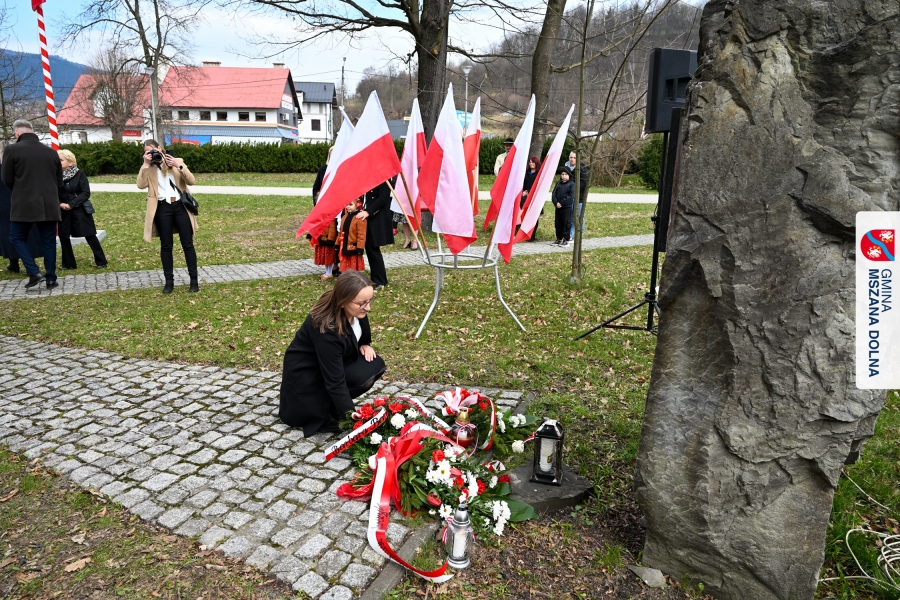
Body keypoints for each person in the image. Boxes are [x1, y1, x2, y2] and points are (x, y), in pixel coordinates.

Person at [279, 270, 386, 436]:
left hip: (328, 364)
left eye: (370, 300)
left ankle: (335, 405)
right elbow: (335, 381)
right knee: (358, 377)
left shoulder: (354, 308)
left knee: (374, 365)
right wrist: (353, 421)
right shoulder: (327, 329)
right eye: (362, 303)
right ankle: (324, 412)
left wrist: (364, 343)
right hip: (307, 378)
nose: (368, 308)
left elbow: (360, 326)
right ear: (343, 301)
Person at [0, 120, 62, 290]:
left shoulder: (12, 150)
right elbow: (59, 181)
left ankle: (34, 272)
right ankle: (51, 278)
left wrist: (20, 191)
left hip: (24, 204)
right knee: (48, 241)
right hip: (49, 204)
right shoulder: (51, 152)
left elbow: (6, 178)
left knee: (16, 237)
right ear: (33, 131)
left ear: (17, 133)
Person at [136, 139, 199, 294]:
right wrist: (145, 164)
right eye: (147, 152)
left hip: (180, 206)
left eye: (153, 150)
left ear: (159, 148)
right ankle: (169, 282)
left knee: (188, 244)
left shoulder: (176, 162)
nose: (152, 154)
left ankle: (194, 281)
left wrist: (178, 165)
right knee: (166, 246)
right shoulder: (149, 168)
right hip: (162, 207)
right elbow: (140, 185)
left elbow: (191, 181)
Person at [57, 149, 107, 270]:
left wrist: (71, 204)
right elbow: (51, 193)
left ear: (70, 162)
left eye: (61, 160)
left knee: (90, 234)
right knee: (64, 236)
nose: (58, 162)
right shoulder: (55, 176)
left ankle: (101, 261)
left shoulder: (80, 174)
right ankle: (68, 263)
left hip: (79, 209)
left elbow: (85, 193)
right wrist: (60, 204)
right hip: (63, 210)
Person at [0, 153, 42, 275]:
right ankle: (25, 264)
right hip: (25, 203)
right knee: (26, 233)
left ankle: (18, 263)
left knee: (11, 234)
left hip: (6, 205)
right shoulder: (25, 167)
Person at [310, 146, 340, 277]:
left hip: (338, 209)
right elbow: (316, 187)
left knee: (337, 238)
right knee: (327, 239)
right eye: (331, 153)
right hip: (324, 209)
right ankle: (329, 266)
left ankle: (338, 265)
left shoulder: (342, 168)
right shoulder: (323, 169)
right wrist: (318, 201)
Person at [360, 180, 393, 289]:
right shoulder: (367, 178)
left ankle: (380, 280)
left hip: (376, 217)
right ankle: (376, 278)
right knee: (370, 248)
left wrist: (368, 211)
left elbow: (383, 198)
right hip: (366, 216)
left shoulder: (383, 178)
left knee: (373, 247)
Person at [563, 150, 590, 240]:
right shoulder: (566, 167)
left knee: (578, 216)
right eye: (571, 157)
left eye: (574, 158)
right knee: (570, 216)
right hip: (568, 196)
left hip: (579, 197)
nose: (572, 159)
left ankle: (580, 232)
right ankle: (570, 235)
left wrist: (573, 188)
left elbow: (584, 183)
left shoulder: (582, 168)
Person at [339, 199, 367, 273]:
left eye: (350, 205)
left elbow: (361, 234)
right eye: (347, 205)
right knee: (345, 266)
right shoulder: (344, 217)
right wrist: (337, 244)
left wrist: (360, 248)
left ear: (357, 205)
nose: (348, 206)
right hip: (344, 246)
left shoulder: (360, 218)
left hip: (354, 248)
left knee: (354, 268)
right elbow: (340, 232)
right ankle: (346, 277)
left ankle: (354, 277)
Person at [552, 169, 574, 246]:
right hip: (558, 207)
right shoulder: (558, 183)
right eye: (562, 174)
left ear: (569, 175)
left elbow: (571, 196)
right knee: (558, 223)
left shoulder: (571, 184)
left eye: (566, 174)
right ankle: (559, 238)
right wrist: (556, 203)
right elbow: (554, 194)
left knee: (566, 223)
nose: (564, 176)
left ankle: (566, 239)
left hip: (566, 207)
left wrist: (562, 203)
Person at [521, 156, 541, 241]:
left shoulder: (539, 174)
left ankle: (532, 236)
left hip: (534, 198)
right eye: (530, 162)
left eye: (532, 162)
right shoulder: (526, 173)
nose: (531, 164)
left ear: (536, 163)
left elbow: (537, 186)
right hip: (524, 198)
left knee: (534, 216)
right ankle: (525, 234)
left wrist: (528, 191)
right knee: (525, 216)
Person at [313, 215, 338, 279]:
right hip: (322, 239)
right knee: (325, 258)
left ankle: (329, 273)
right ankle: (327, 272)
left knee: (329, 258)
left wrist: (330, 239)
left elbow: (332, 229)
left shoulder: (331, 218)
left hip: (327, 240)